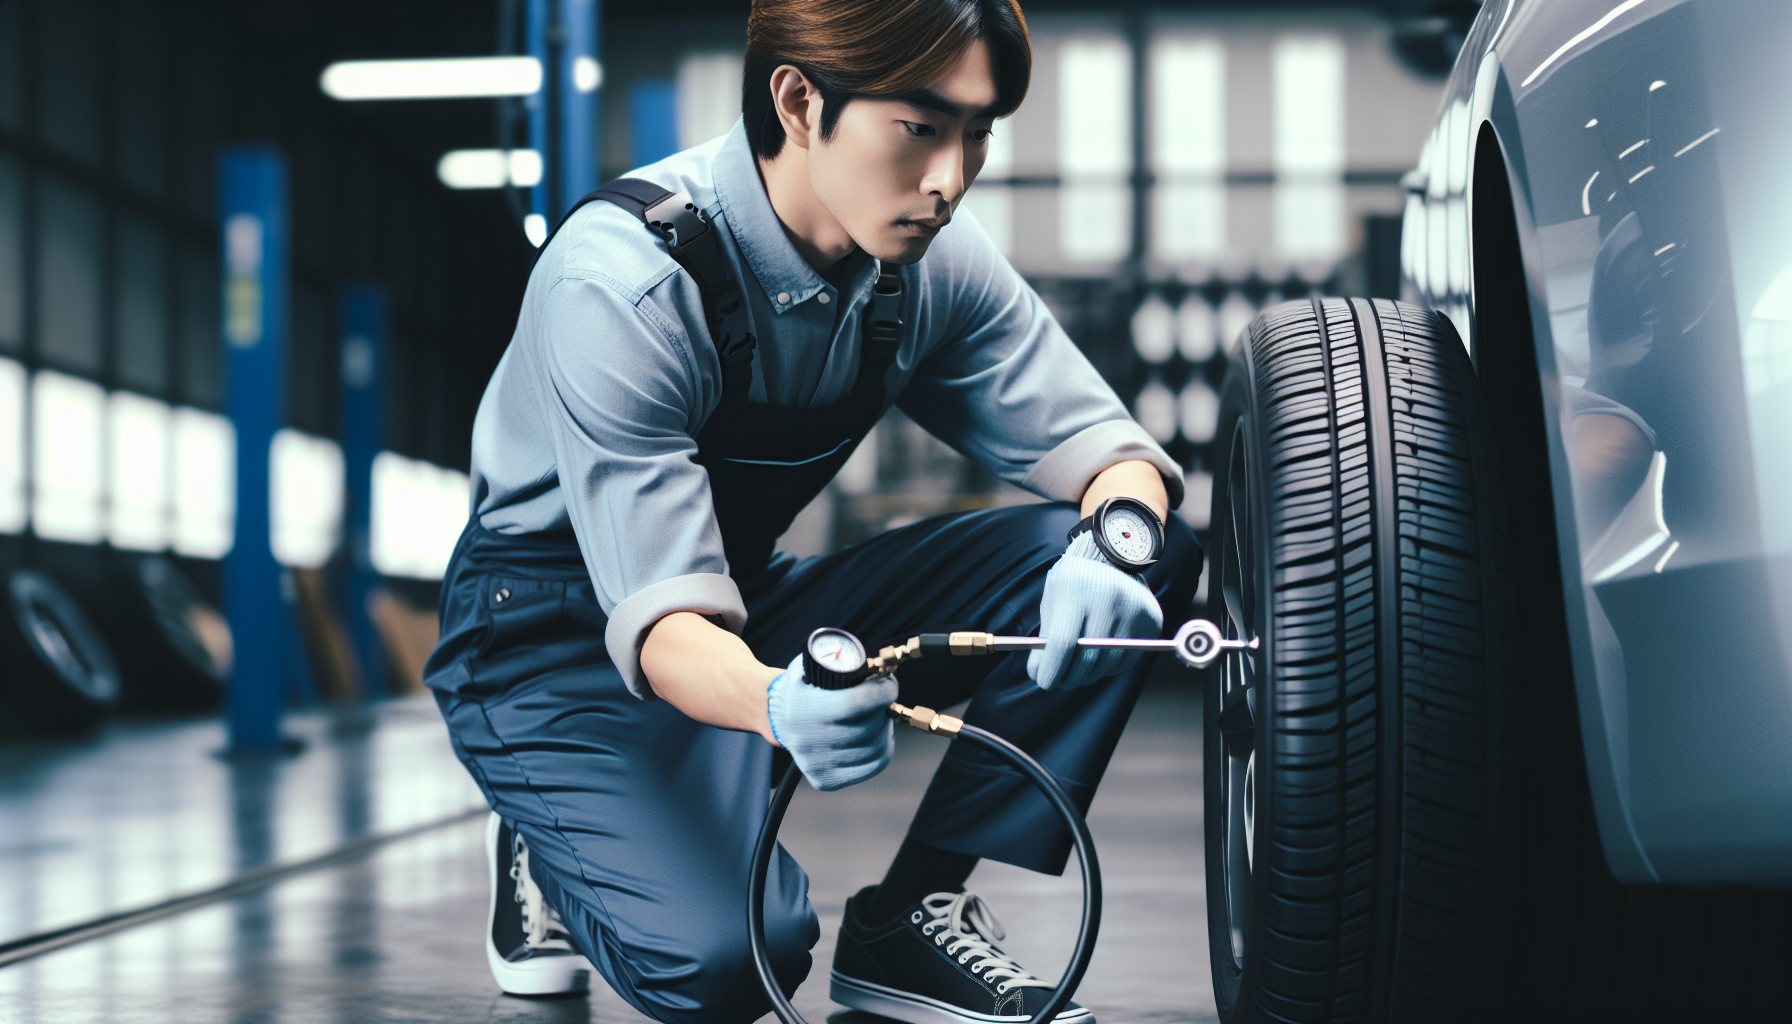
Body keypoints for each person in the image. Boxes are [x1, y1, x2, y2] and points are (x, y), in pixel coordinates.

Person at [424, 0, 1202, 1020]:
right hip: (542, 643)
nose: (951, 179)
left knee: (1131, 552)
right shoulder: (620, 284)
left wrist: (1116, 541)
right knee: (731, 962)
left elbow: (1112, 455)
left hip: (738, 603)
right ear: (798, 100)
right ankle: (550, 831)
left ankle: (911, 920)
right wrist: (777, 706)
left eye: (979, 133)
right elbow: (662, 628)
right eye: (921, 128)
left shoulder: (922, 266)